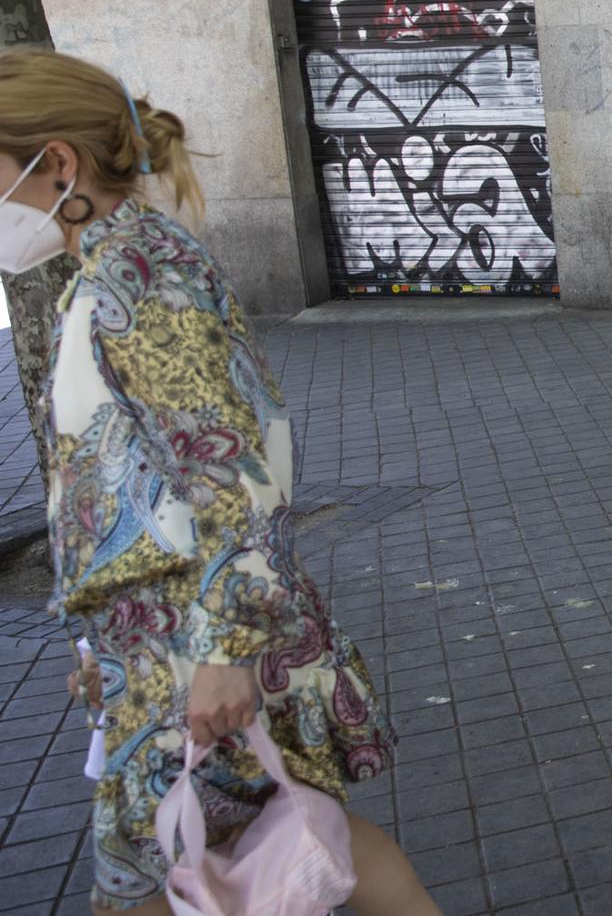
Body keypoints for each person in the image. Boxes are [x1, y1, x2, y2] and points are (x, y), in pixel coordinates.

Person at [0, 47, 440, 915]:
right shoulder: (108, 267)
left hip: (194, 646)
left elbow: (236, 469)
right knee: (301, 836)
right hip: (165, 645)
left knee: (146, 888)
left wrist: (225, 650)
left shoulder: (142, 273)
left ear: (58, 163)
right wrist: (101, 644)